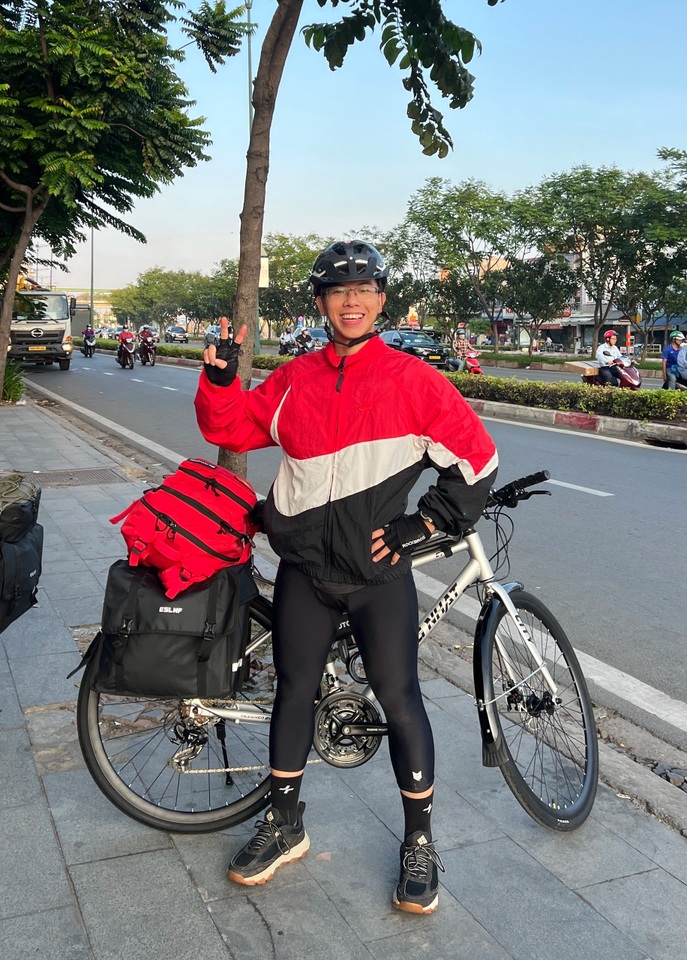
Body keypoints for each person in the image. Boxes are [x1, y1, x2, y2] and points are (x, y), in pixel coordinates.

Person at [195, 239, 498, 914]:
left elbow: (476, 462)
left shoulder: (416, 382)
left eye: (364, 289)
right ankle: (284, 824)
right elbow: (235, 428)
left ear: (382, 299)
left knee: (399, 697)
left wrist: (423, 526)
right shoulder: (295, 379)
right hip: (304, 570)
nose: (352, 300)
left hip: (376, 576)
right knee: (293, 692)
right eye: (338, 290)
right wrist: (218, 381)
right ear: (323, 303)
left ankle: (419, 841)